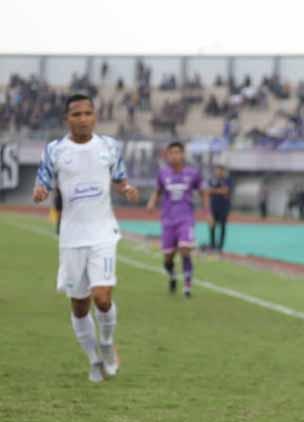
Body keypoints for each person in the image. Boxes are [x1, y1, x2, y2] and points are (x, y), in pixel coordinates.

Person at [32, 93, 139, 383]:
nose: (82, 119)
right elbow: (43, 180)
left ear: (95, 116)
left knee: (102, 298)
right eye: (76, 114)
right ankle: (93, 359)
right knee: (79, 306)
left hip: (103, 233)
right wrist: (40, 192)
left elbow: (118, 178)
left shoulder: (109, 146)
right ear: (67, 119)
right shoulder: (55, 150)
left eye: (87, 113)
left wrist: (126, 189)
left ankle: (106, 343)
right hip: (71, 237)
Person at [146, 141, 206, 298]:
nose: (174, 156)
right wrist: (152, 202)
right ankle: (172, 275)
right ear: (167, 155)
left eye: (177, 152)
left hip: (186, 218)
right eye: (171, 153)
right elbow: (158, 191)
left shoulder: (193, 173)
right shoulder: (163, 173)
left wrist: (208, 211)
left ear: (183, 154)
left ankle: (187, 286)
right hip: (168, 219)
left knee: (185, 248)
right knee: (168, 258)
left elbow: (203, 192)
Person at [207, 164, 233, 252]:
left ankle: (220, 247)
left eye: (220, 170)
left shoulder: (228, 180)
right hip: (213, 207)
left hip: (224, 207)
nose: (218, 172)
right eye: (217, 170)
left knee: (222, 226)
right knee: (212, 226)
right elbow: (207, 191)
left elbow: (226, 191)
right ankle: (212, 245)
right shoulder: (212, 180)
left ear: (223, 171)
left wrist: (214, 190)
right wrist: (219, 191)